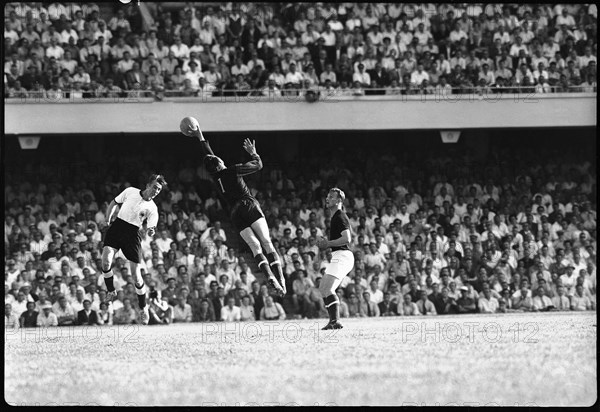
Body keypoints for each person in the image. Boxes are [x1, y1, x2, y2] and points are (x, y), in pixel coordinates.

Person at [183, 123, 286, 296]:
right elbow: (258, 165)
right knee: (267, 242)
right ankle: (281, 279)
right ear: (221, 163)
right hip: (248, 204)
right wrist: (253, 153)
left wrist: (199, 135)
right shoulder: (233, 170)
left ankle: (269, 276)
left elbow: (210, 157)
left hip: (234, 213)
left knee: (255, 248)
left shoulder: (215, 179)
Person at [101, 174, 167, 325]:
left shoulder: (153, 208)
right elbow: (113, 203)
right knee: (105, 262)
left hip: (133, 234)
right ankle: (111, 291)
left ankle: (143, 307)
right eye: (155, 187)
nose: (156, 191)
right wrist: (107, 220)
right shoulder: (130, 191)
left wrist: (151, 231)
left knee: (136, 276)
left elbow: (151, 226)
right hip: (117, 227)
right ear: (148, 185)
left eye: (159, 190)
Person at [316, 188, 354, 330]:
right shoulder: (336, 216)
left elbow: (347, 238)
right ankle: (334, 321)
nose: (327, 199)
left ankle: (335, 321)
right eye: (327, 196)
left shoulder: (339, 216)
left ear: (339, 201)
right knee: (324, 287)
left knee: (327, 288)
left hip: (343, 255)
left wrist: (328, 243)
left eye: (331, 197)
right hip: (340, 255)